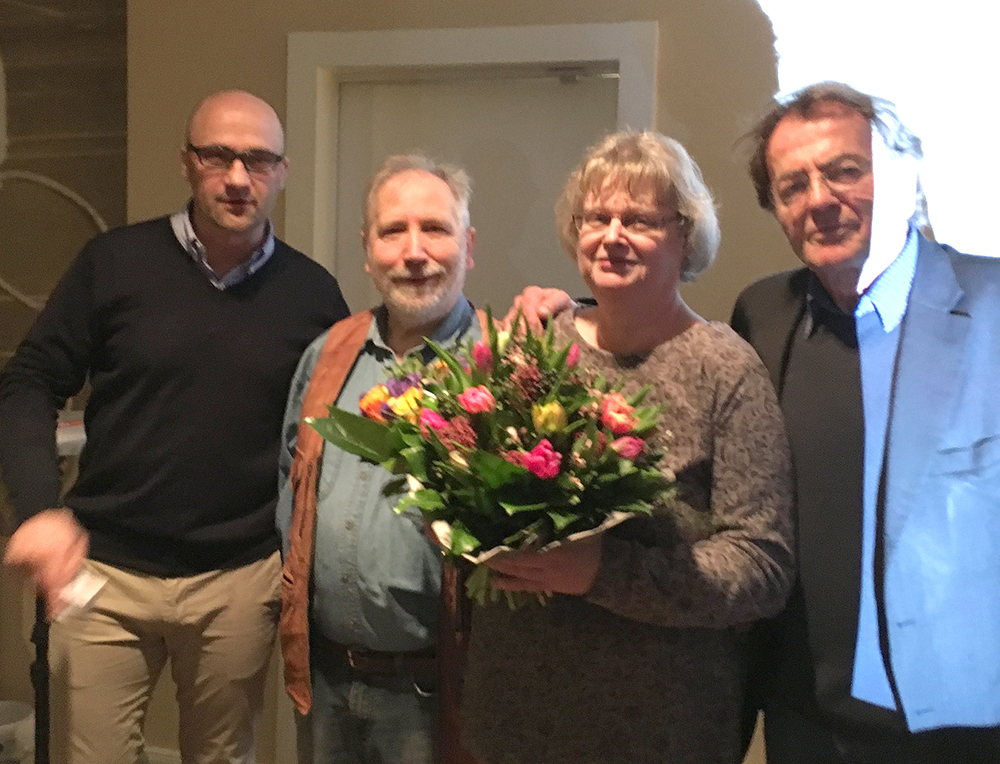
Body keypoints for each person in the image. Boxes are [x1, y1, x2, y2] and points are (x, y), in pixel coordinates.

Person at [0, 89, 351, 764]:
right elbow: (29, 380)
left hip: (241, 579)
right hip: (104, 572)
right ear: (187, 163)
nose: (239, 177)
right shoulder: (113, 264)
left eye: (258, 159)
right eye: (219, 155)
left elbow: (338, 433)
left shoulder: (313, 295)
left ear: (282, 171)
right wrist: (37, 510)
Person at [459, 130, 795, 764]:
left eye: (640, 219)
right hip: (513, 720)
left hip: (659, 730)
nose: (612, 234)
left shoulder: (724, 369)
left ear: (685, 235)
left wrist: (601, 573)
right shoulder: (534, 344)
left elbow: (762, 568)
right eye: (597, 217)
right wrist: (454, 521)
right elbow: (465, 477)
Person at [731, 81, 1000, 763]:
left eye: (846, 170)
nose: (820, 199)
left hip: (964, 727)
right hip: (805, 720)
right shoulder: (763, 314)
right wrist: (573, 310)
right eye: (793, 186)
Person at [277, 154, 485, 764]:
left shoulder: (500, 368)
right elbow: (290, 492)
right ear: (368, 251)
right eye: (393, 231)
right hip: (326, 681)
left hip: (438, 692)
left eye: (436, 229)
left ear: (468, 246)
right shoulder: (329, 353)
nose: (414, 252)